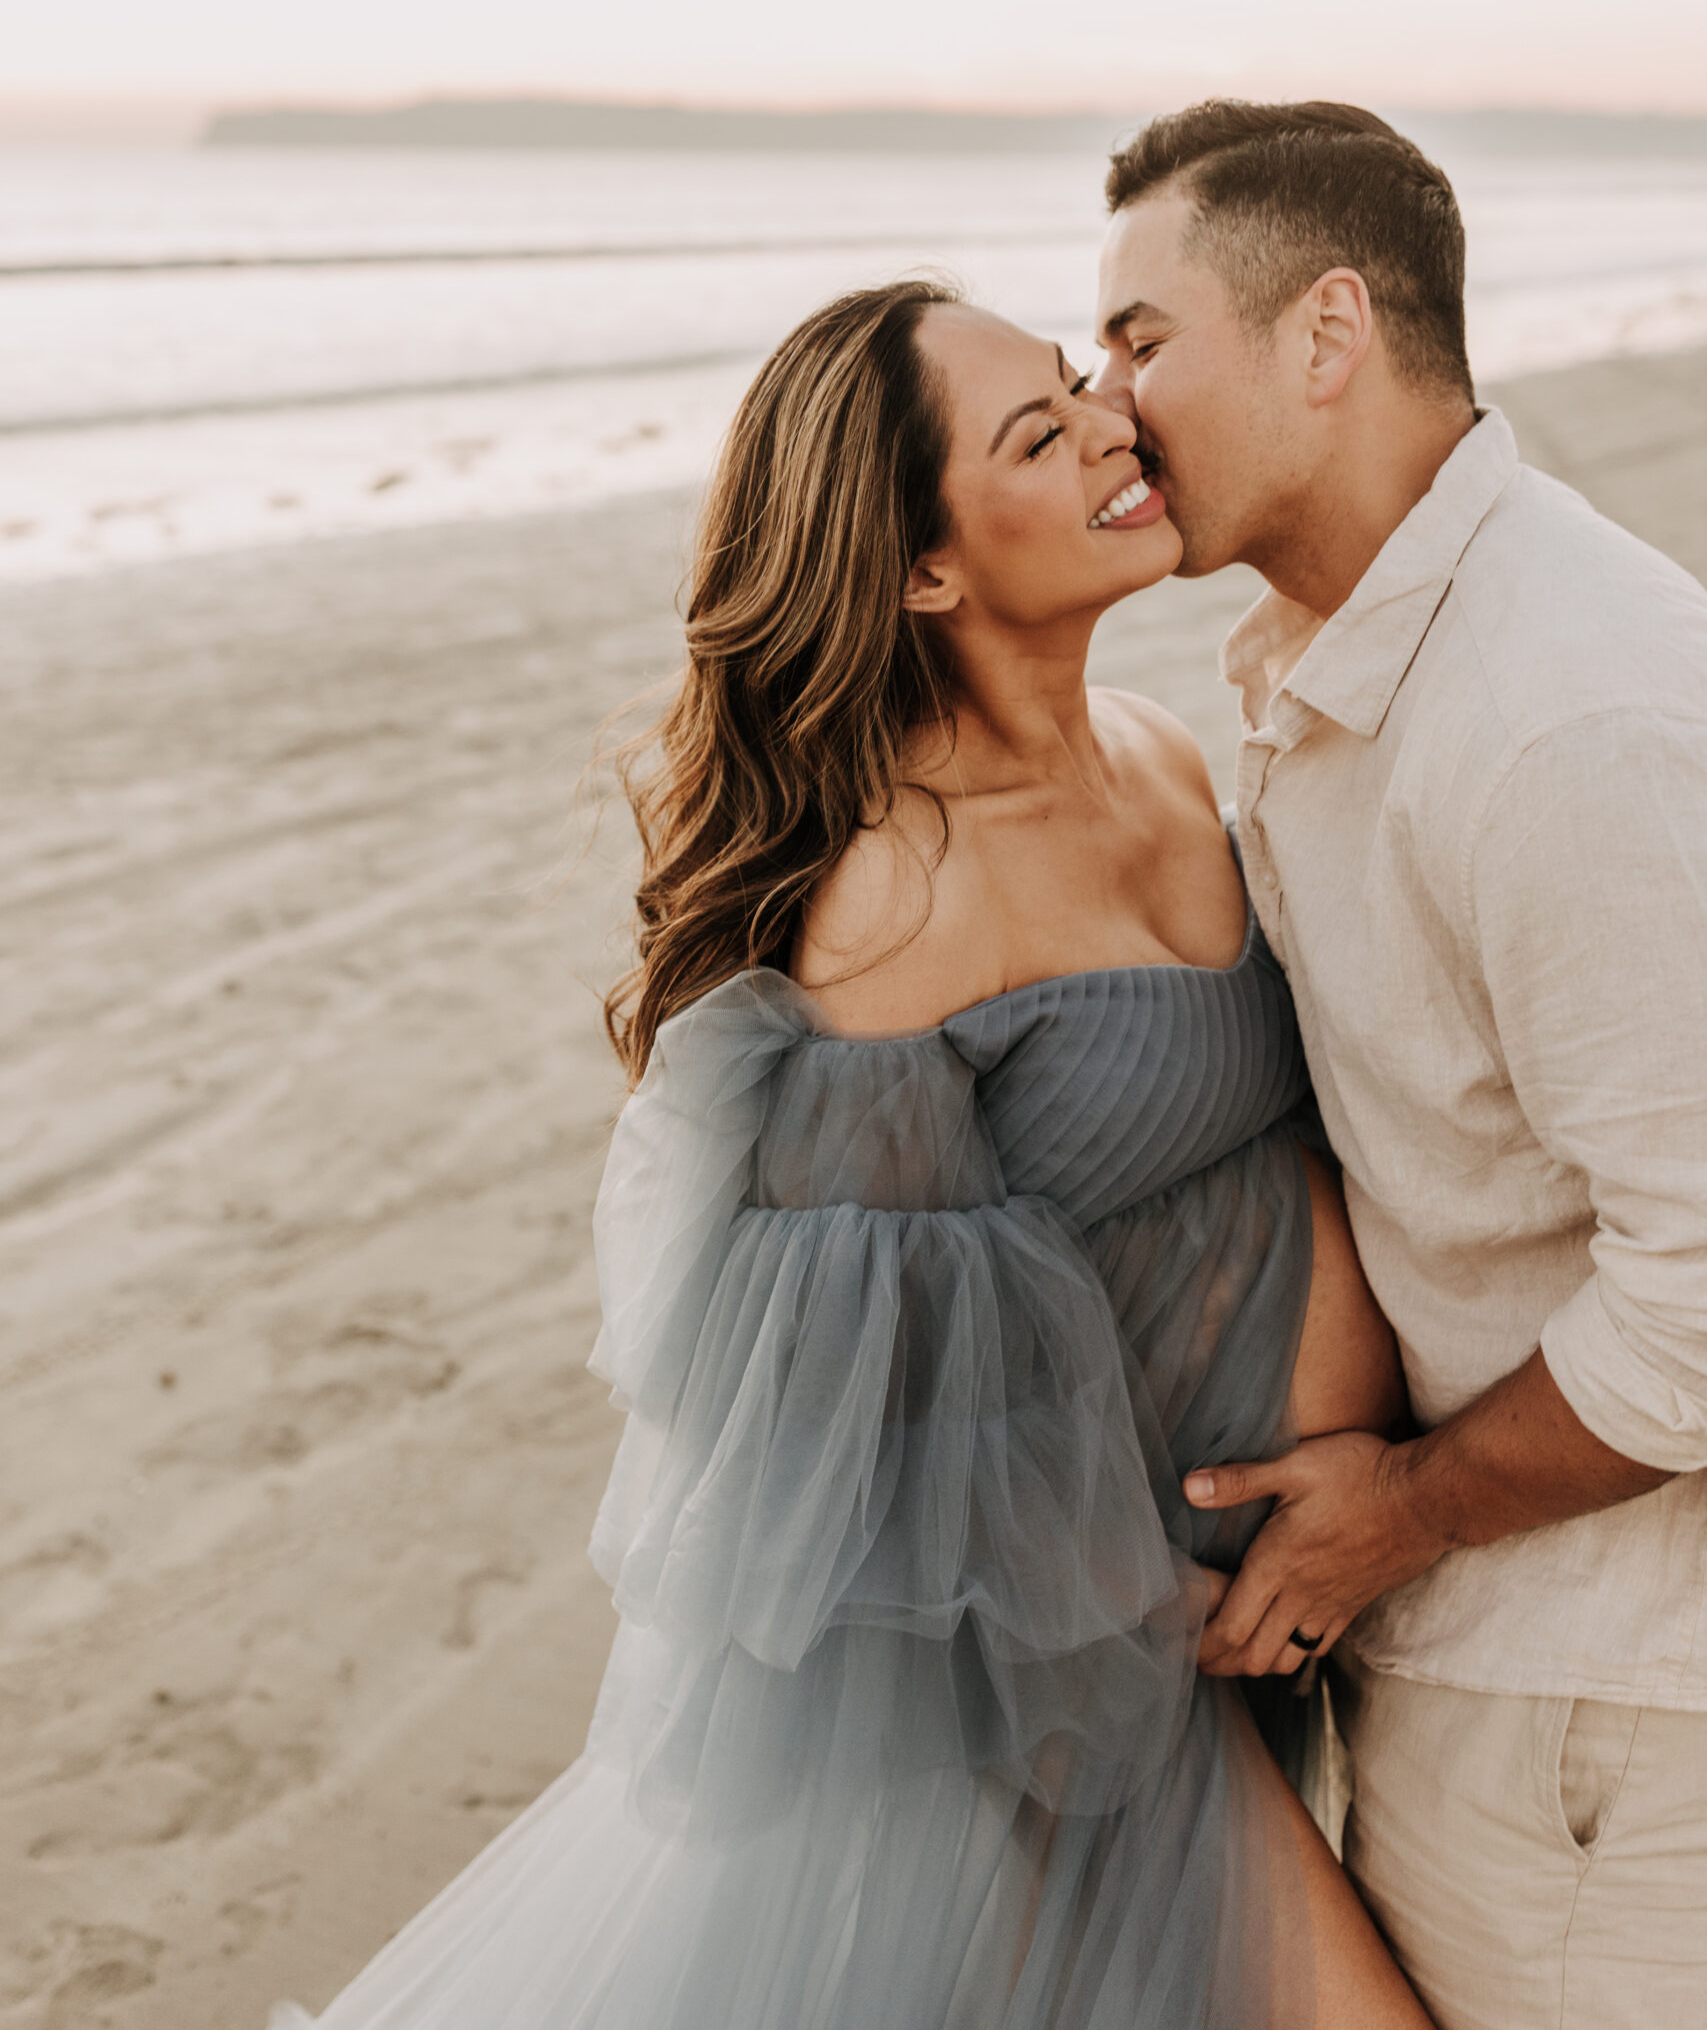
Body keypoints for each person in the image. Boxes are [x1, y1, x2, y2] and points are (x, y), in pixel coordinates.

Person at [271, 279, 1430, 2028]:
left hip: (1247, 1634)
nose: (1115, 424)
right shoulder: (898, 896)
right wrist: (1151, 1616)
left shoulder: (1165, 755)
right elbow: (861, 1441)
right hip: (1067, 1717)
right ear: (922, 571)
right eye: (1038, 435)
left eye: (1074, 386)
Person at [1090, 98, 1707, 2030]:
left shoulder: (1561, 715)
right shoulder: (1320, 650)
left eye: (1141, 338)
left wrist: (1411, 1510)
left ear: (1328, 334)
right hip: (1500, 1664)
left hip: (1598, 1705)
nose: (1109, 404)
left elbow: (1704, 1296)